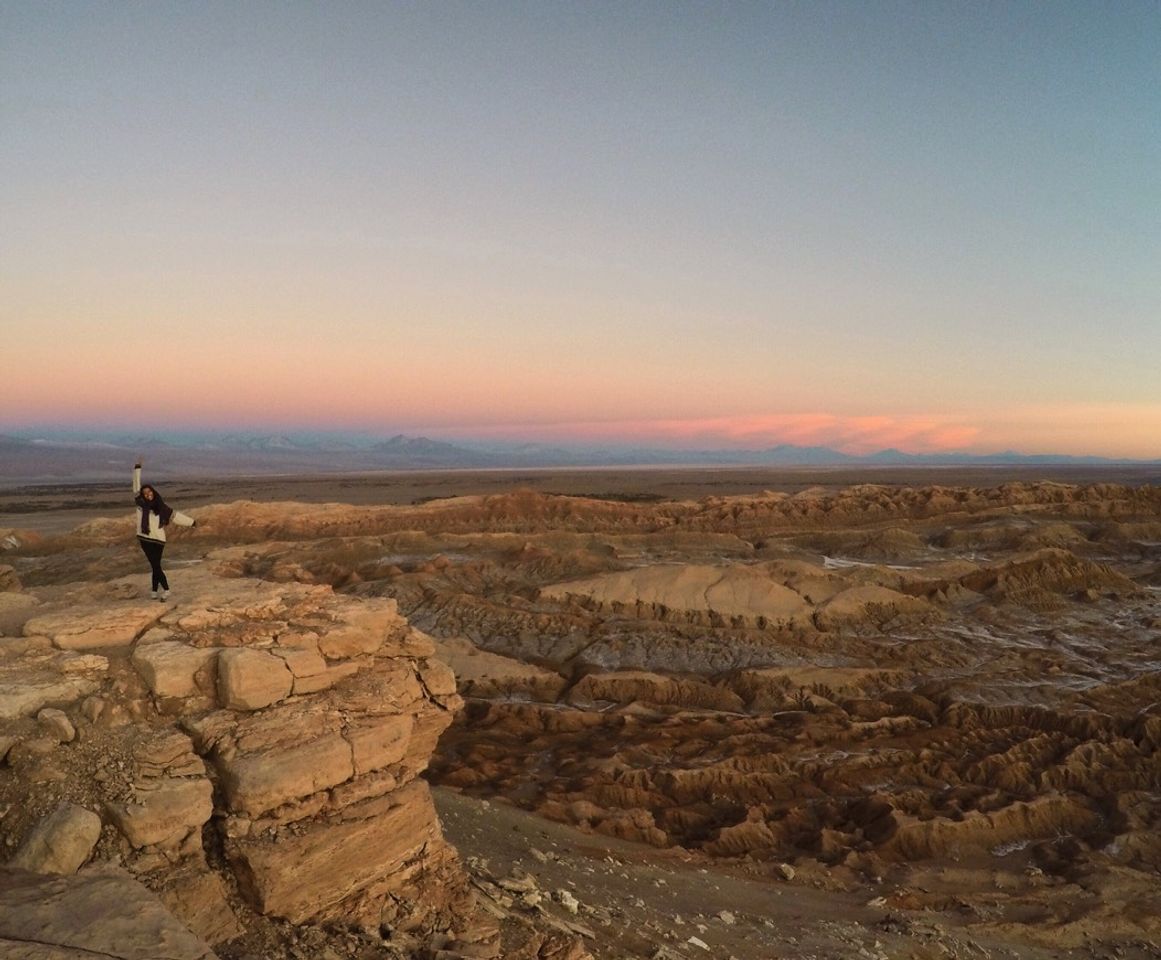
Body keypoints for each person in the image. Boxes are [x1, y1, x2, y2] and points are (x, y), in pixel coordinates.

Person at [133, 461, 196, 601]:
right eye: (145, 493)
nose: (147, 494)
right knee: (155, 565)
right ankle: (154, 591)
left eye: (149, 491)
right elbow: (136, 487)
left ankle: (166, 590)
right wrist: (137, 468)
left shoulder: (162, 507)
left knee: (155, 565)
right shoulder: (140, 505)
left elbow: (176, 517)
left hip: (159, 540)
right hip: (144, 538)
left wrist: (191, 522)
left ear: (154, 492)